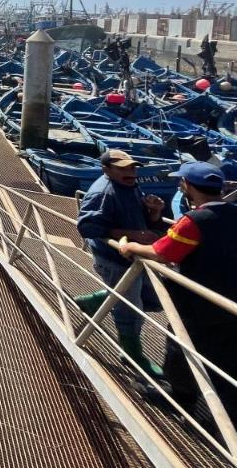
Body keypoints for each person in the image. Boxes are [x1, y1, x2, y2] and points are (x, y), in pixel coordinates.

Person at [119, 162, 237, 417]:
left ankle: (183, 398)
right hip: (229, 298)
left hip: (197, 303)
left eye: (181, 182)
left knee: (179, 349)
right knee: (227, 358)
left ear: (188, 186)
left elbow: (161, 253)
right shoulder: (233, 213)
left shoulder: (193, 220)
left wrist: (130, 248)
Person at [75, 149, 166, 376]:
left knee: (149, 299)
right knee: (130, 309)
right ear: (106, 170)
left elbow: (139, 218)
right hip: (115, 259)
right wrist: (132, 234)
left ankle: (94, 300)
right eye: (123, 168)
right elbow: (86, 227)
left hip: (134, 259)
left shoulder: (130, 186)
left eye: (133, 167)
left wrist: (154, 213)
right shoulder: (102, 193)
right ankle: (132, 354)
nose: (131, 172)